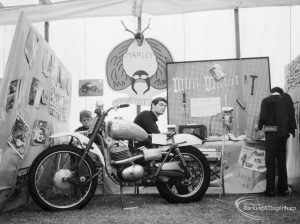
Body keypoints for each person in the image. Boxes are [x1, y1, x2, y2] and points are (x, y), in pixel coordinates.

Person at [257, 87, 296, 197]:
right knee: (281, 161)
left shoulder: (266, 101)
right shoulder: (285, 100)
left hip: (270, 134)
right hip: (282, 135)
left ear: (271, 92)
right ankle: (283, 189)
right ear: (280, 92)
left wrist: (260, 127)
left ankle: (270, 190)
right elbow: (291, 117)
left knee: (270, 162)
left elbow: (263, 117)